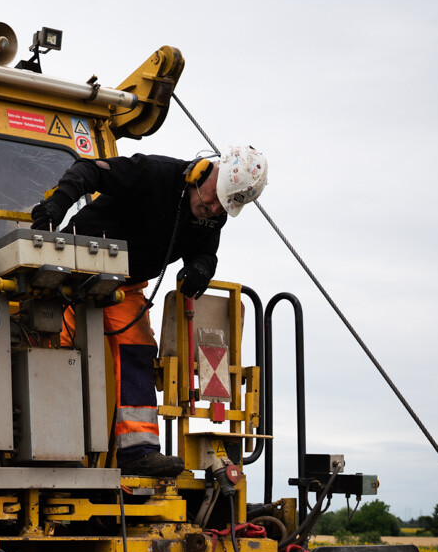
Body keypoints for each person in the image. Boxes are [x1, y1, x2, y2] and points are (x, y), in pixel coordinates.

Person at [32, 148, 269, 478]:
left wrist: (201, 268)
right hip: (73, 272)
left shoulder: (213, 215)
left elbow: (205, 252)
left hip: (124, 286)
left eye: (225, 206)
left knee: (138, 350)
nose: (215, 209)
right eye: (217, 198)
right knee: (56, 351)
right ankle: (53, 445)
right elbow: (89, 170)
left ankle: (138, 451)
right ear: (206, 172)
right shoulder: (153, 173)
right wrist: (57, 205)